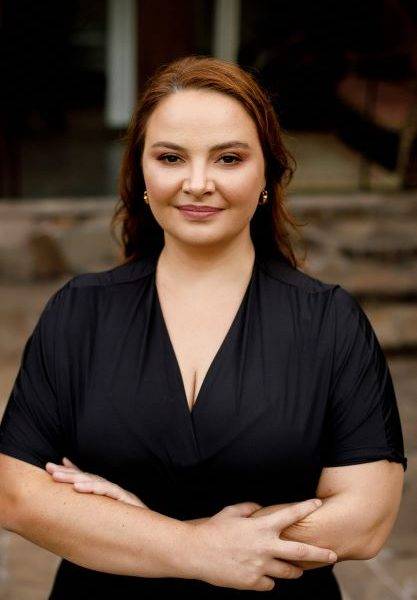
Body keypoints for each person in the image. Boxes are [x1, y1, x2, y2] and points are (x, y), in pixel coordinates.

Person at [0, 55, 407, 599]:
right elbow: (17, 494)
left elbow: (365, 519)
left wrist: (145, 534)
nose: (197, 183)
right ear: (142, 174)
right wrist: (191, 546)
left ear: (267, 174)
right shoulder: (79, 312)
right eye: (171, 157)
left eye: (229, 158)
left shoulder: (329, 321)